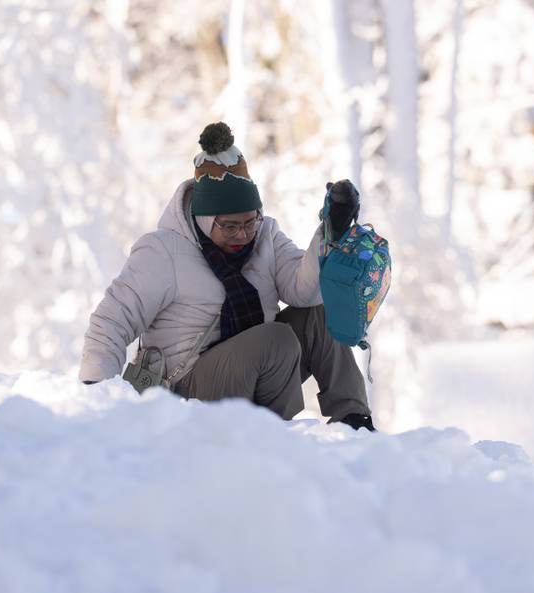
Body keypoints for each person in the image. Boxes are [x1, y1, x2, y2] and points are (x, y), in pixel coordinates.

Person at [79, 122, 374, 431]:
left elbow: (304, 290)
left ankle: (354, 421)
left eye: (250, 222)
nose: (243, 234)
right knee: (277, 339)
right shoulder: (163, 252)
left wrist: (331, 232)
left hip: (260, 370)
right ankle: (276, 438)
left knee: (318, 314)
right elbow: (111, 321)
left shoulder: (266, 236)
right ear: (205, 219)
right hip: (186, 390)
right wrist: (98, 401)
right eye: (230, 226)